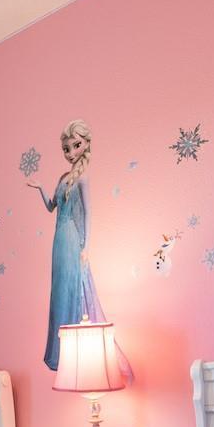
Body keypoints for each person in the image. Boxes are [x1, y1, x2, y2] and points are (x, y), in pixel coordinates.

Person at [26, 120, 132, 377]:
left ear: (85, 145)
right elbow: (51, 207)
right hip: (59, 240)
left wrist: (86, 246)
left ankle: (73, 350)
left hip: (72, 238)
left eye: (76, 146)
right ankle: (58, 351)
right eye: (66, 148)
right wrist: (40, 188)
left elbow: (89, 214)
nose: (71, 152)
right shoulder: (63, 178)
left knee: (71, 286)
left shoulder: (82, 178)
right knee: (58, 290)